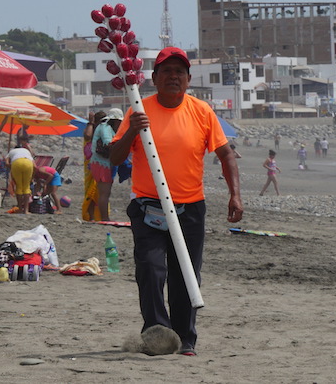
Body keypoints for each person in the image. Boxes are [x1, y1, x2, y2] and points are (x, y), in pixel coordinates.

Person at [109, 47, 243, 357]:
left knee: (186, 274)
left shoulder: (201, 111)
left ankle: (185, 339)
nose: (173, 76)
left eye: (179, 72)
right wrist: (132, 130)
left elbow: (225, 155)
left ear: (188, 79)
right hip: (148, 206)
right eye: (166, 71)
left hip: (190, 208)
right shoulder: (138, 109)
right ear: (153, 78)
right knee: (152, 268)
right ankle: (157, 333)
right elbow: (115, 156)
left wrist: (235, 195)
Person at [91, 107, 123, 221]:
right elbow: (108, 142)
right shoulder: (106, 127)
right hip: (101, 163)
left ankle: (104, 217)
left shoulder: (103, 126)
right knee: (105, 192)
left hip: (99, 163)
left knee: (103, 192)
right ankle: (105, 218)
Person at [4, 146, 51, 214]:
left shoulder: (11, 152)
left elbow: (6, 163)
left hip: (16, 163)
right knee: (26, 187)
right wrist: (32, 176)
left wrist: (14, 166)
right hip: (28, 163)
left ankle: (20, 209)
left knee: (19, 187)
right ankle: (26, 210)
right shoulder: (27, 151)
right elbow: (34, 166)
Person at [82, 111, 106, 221]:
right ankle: (91, 217)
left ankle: (101, 217)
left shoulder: (104, 133)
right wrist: (90, 123)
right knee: (91, 193)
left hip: (103, 167)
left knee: (101, 193)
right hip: (91, 169)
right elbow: (87, 136)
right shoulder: (90, 132)